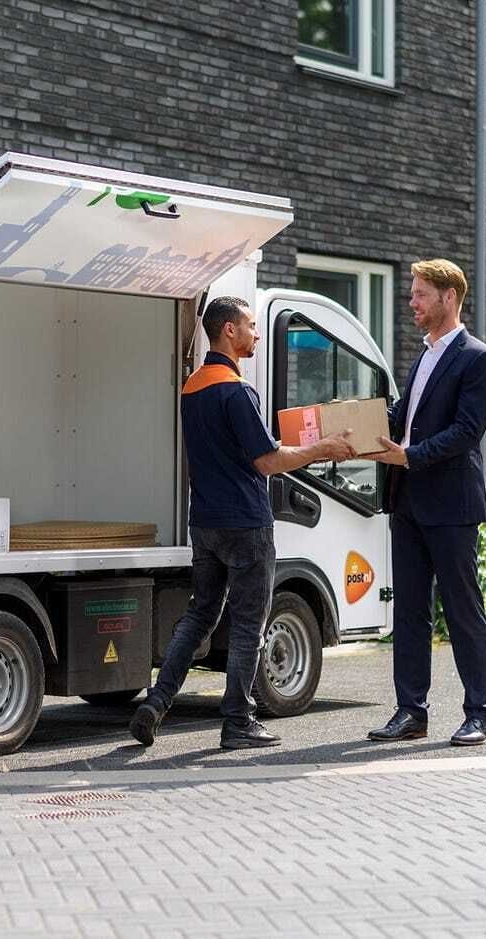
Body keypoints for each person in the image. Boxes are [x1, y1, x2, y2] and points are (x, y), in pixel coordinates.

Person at [130, 295, 355, 750]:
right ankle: (237, 722)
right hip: (247, 525)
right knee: (249, 623)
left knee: (199, 615)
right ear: (229, 331)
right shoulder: (237, 391)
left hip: (205, 522)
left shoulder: (192, 388)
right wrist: (322, 449)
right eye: (251, 326)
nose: (256, 333)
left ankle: (156, 702)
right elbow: (268, 461)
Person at [363, 259, 486, 746]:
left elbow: (466, 432)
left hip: (452, 505)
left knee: (464, 610)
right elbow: (405, 416)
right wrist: (360, 426)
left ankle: (480, 714)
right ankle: (411, 712)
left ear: (449, 297)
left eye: (420, 294)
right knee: (410, 612)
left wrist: (410, 455)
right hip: (409, 503)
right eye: (412, 294)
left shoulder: (478, 358)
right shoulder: (422, 357)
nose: (412, 303)